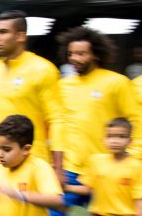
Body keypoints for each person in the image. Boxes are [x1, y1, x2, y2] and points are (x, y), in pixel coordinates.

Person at [0, 10, 64, 216]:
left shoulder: (44, 70)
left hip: (29, 156)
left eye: (3, 32)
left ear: (21, 36)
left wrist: (58, 166)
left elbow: (56, 119)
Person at [55, 27, 142, 215]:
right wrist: (58, 165)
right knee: (52, 211)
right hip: (71, 169)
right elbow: (59, 125)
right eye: (71, 54)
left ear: (96, 55)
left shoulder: (117, 83)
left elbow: (136, 121)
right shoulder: (63, 85)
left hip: (109, 169)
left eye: (81, 54)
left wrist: (132, 157)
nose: (74, 58)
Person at [64, 118, 142, 216]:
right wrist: (64, 187)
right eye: (110, 136)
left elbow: (139, 199)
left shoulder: (137, 167)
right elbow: (88, 189)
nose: (115, 141)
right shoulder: (96, 161)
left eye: (121, 137)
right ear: (103, 139)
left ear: (130, 141)